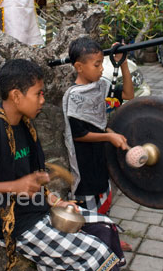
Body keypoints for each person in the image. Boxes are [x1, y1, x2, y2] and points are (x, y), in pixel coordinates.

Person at [0, 59, 124, 270]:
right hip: (13, 226)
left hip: (37, 212)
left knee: (105, 228)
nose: (42, 100)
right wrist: (13, 187)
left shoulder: (27, 126)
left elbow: (34, 180)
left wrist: (56, 201)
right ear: (16, 96)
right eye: (38, 93)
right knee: (97, 253)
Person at [62, 37, 134, 214]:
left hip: (100, 155)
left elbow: (128, 94)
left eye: (102, 63)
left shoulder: (100, 86)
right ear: (79, 67)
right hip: (84, 160)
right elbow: (79, 134)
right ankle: (97, 236)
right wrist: (109, 136)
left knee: (104, 194)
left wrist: (123, 63)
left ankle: (107, 232)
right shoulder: (73, 96)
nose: (102, 69)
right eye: (97, 65)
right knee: (88, 205)